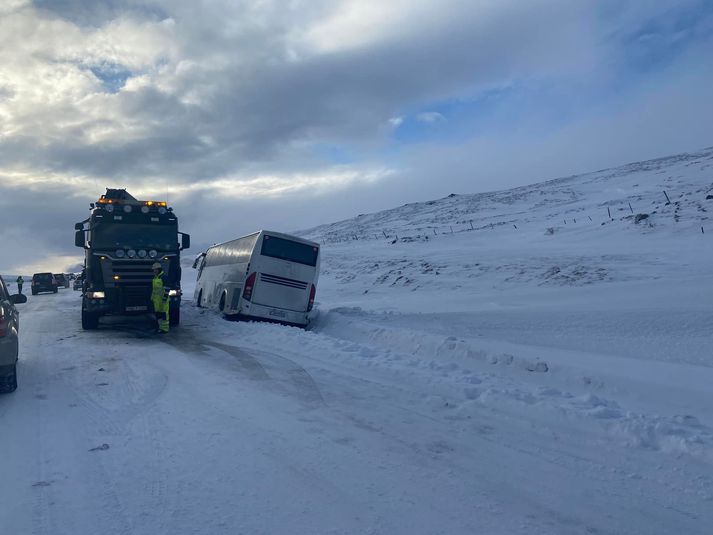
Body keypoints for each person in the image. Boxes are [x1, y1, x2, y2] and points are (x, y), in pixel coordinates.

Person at [151, 262, 170, 334]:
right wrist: (152, 297)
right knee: (158, 314)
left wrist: (165, 298)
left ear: (158, 269)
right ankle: (159, 328)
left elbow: (167, 288)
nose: (154, 271)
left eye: (155, 269)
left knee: (164, 315)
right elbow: (154, 290)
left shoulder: (164, 277)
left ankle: (164, 329)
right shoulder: (155, 278)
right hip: (156, 300)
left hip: (163, 300)